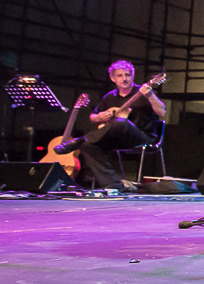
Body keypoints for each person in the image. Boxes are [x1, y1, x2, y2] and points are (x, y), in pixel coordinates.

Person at [54, 60, 166, 191]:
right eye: (120, 75)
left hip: (141, 136)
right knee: (88, 146)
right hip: (117, 139)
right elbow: (93, 116)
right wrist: (99, 117)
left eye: (127, 75)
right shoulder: (110, 97)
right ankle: (113, 184)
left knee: (121, 122)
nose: (124, 78)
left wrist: (150, 95)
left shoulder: (142, 92)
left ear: (132, 76)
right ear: (113, 78)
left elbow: (162, 111)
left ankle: (80, 139)